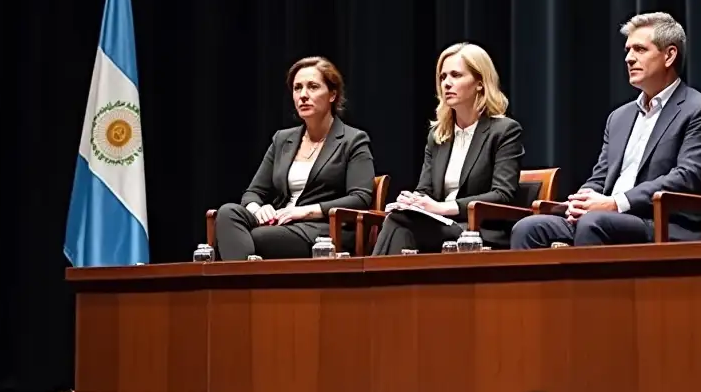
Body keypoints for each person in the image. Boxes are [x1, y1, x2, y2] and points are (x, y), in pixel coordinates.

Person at [511, 12, 701, 248]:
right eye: (628, 50)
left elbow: (687, 177)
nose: (629, 59)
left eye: (640, 50)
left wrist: (616, 203)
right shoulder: (619, 117)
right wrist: (582, 200)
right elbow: (601, 176)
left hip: (661, 221)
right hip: (607, 215)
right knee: (529, 228)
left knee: (594, 223)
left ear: (669, 55)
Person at [214, 57, 375, 259]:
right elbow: (253, 192)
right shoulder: (282, 140)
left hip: (322, 230)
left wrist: (303, 211)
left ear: (333, 94)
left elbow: (360, 198)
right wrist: (259, 209)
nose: (303, 95)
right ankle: (247, 284)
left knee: (253, 237)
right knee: (228, 213)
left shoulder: (353, 140)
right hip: (280, 222)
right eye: (297, 88)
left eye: (313, 87)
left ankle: (244, 286)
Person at [371, 42, 524, 254]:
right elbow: (425, 190)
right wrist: (413, 201)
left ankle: (372, 284)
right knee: (399, 219)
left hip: (477, 230)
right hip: (439, 226)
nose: (446, 84)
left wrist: (443, 208)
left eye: (456, 75)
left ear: (480, 83)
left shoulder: (504, 131)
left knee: (399, 225)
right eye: (443, 77)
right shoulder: (439, 136)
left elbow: (503, 194)